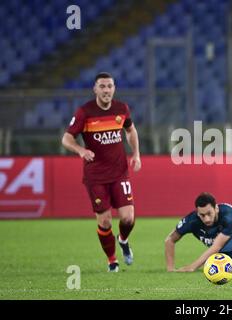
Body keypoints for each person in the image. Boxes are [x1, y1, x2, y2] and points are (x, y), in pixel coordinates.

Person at [61, 72, 142, 272]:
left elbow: (130, 130)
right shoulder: (84, 112)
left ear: (114, 88)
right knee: (105, 221)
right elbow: (66, 139)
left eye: (110, 86)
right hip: (96, 176)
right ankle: (112, 260)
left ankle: (123, 240)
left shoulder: (121, 109)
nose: (106, 90)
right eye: (102, 87)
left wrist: (136, 154)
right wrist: (81, 150)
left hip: (119, 172)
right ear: (95, 89)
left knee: (128, 218)